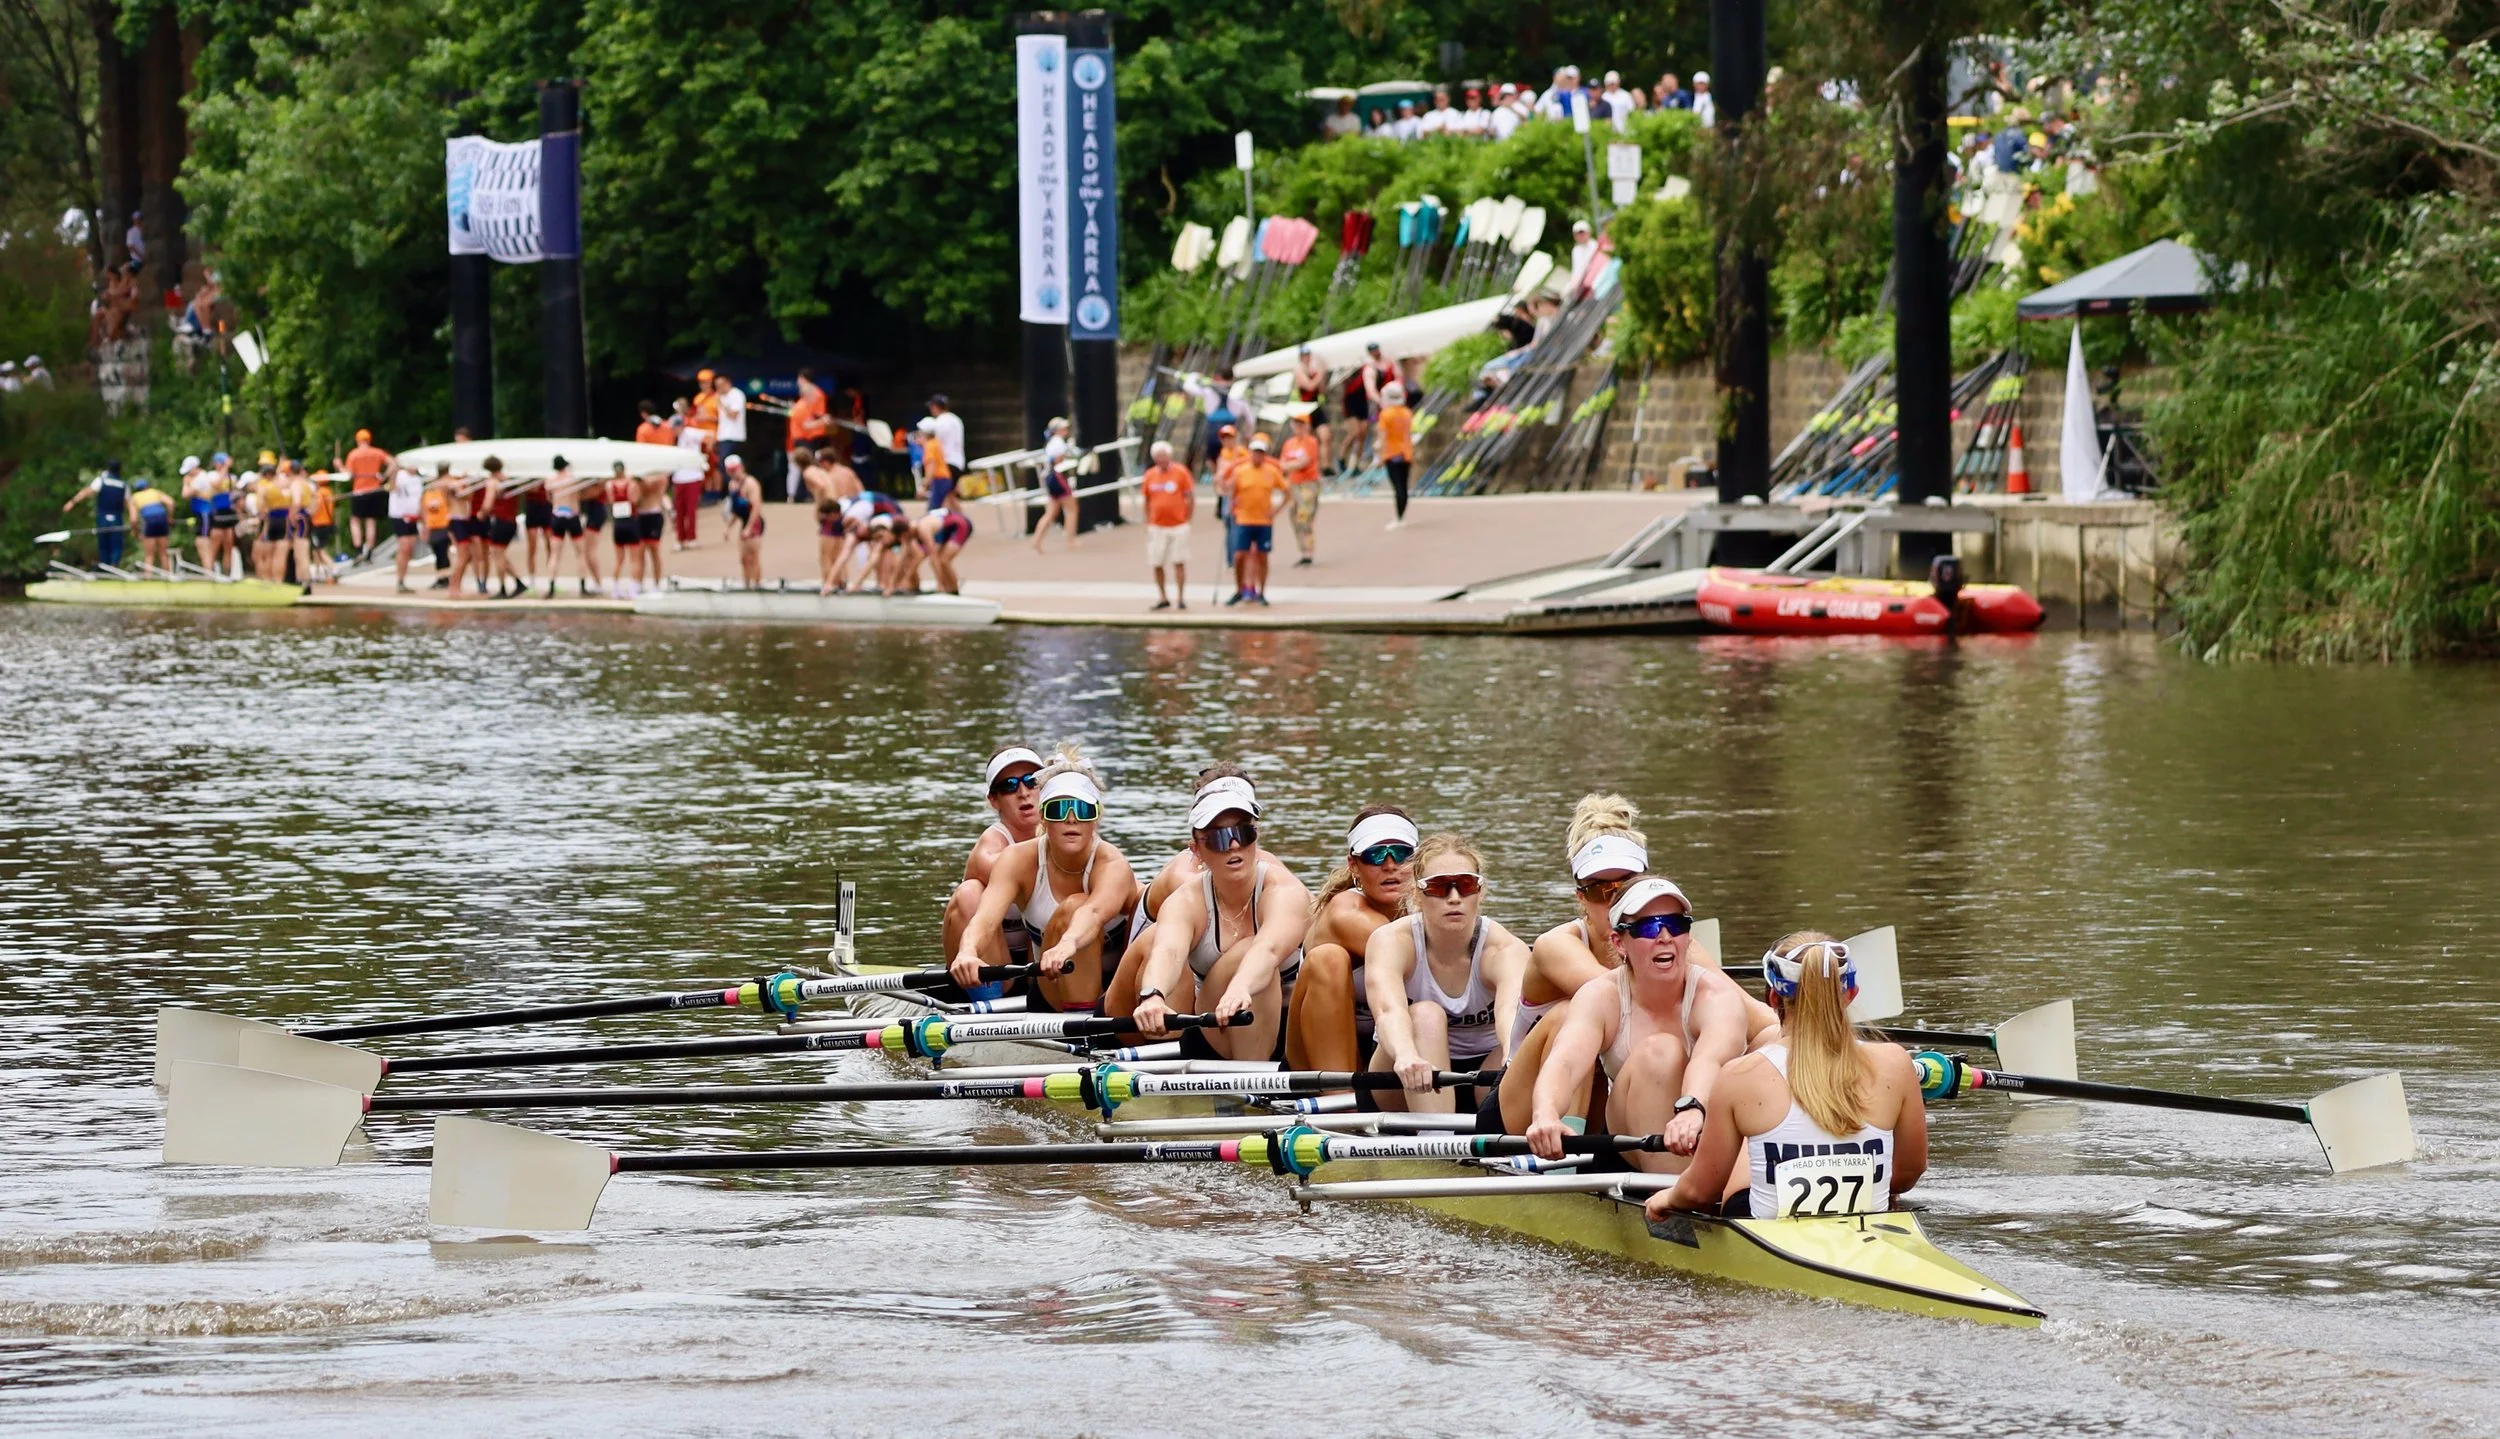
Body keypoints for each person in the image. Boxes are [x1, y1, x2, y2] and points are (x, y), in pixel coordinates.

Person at [1652, 932, 1927, 1221]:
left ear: (1773, 997)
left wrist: (1666, 1198)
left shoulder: (1740, 1076)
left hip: (1765, 1232)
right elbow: (1908, 1174)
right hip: (1867, 1224)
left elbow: (1699, 1193)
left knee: (1747, 1147)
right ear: (1851, 994)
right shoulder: (1897, 1063)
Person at [1525, 876, 1760, 1174]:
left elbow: (1710, 1061)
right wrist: (1545, 1113)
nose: (1664, 937)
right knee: (1660, 1051)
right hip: (1630, 1142)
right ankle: (1675, 1207)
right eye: (1648, 927)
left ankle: (1697, 1193)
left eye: (1676, 925)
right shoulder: (1600, 995)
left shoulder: (1716, 996)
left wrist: (1691, 1108)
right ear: (1618, 942)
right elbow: (1565, 1063)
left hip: (1706, 1124)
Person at [1111, 772, 1308, 1061]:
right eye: (1218, 838)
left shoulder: (1284, 889)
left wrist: (1241, 986)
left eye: (1243, 832)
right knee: (1237, 952)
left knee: (1253, 953)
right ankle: (1249, 1090)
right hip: (1216, 1031)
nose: (1233, 846)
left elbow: (1269, 949)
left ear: (1256, 836)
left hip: (1288, 1030)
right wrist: (1152, 996)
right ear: (1196, 850)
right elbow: (1168, 952)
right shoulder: (1185, 900)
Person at [949, 746, 1139, 1014]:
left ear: (1095, 819)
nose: (1071, 819)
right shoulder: (1016, 859)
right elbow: (985, 919)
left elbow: (1094, 912)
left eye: (1082, 810)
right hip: (1052, 991)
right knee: (1070, 907)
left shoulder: (1112, 864)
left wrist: (1068, 944)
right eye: (1059, 809)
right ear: (1042, 817)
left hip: (1115, 992)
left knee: (1077, 906)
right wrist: (967, 951)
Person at [1363, 833, 1531, 1114]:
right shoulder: (1391, 941)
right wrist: (1406, 1055)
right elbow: (1387, 1011)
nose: (1454, 898)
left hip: (1484, 1079)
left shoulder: (1506, 949)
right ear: (1417, 894)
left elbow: (1511, 1015)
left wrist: (1514, 1058)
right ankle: (1435, 1142)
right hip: (1406, 1077)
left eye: (1465, 885)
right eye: (1439, 887)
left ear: (1480, 892)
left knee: (1528, 1041)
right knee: (1426, 1014)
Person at [1283, 807, 1417, 1073]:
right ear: (1354, 865)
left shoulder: (1438, 903)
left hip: (1391, 1052)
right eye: (1375, 855)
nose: (1390, 865)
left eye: (1401, 853)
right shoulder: (1345, 911)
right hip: (1314, 1058)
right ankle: (1341, 1101)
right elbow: (1419, 954)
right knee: (1328, 958)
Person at [942, 745, 1048, 992]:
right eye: (1009, 786)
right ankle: (987, 1001)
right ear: (994, 800)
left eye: (1032, 782)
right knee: (969, 892)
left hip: (1042, 967)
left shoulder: (1068, 830)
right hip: (991, 969)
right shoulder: (990, 846)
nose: (1023, 792)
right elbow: (1024, 876)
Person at [1226, 434, 1285, 606]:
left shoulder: (1271, 472)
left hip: (1263, 521)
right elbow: (1232, 493)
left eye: (1261, 453)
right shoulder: (1240, 471)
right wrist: (1233, 508)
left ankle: (1261, 592)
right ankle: (1239, 589)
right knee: (1239, 556)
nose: (1257, 456)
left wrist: (1276, 510)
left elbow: (1286, 492)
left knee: (1262, 557)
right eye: (1255, 452)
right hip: (1244, 519)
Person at [1139, 440, 1194, 611]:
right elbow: (1146, 499)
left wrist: (1187, 517)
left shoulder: (1180, 472)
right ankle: (1163, 596)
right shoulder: (1149, 475)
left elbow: (1189, 496)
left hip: (1178, 524)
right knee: (1157, 561)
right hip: (1157, 525)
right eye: (1158, 457)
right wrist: (1148, 519)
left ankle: (1181, 597)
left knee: (1179, 560)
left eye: (1164, 456)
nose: (1161, 460)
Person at [912, 455, 973, 595]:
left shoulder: (923, 529)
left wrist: (940, 585)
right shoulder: (916, 532)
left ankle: (953, 591)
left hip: (959, 525)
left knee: (942, 560)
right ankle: (947, 587)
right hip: (945, 523)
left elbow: (933, 558)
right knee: (936, 559)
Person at [63, 461, 130, 569]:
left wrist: (72, 502)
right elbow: (128, 503)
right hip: (117, 517)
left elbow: (86, 492)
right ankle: (114, 565)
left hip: (103, 516)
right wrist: (133, 517)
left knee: (103, 542)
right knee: (116, 543)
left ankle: (104, 566)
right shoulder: (123, 484)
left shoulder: (101, 480)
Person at [1279, 410, 1324, 566]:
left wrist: (1291, 465)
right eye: (1296, 424)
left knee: (1304, 516)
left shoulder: (1311, 442)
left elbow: (1304, 461)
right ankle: (1303, 549)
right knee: (1294, 516)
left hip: (1308, 483)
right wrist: (1291, 466)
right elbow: (1282, 464)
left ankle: (1309, 551)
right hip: (1293, 483)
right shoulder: (1289, 444)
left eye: (1301, 424)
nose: (1298, 427)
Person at [1030, 416, 1078, 553]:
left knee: (1051, 512)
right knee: (1071, 509)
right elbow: (1058, 460)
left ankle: (1036, 540)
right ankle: (1070, 540)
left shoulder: (1051, 442)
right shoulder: (1058, 442)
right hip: (1057, 476)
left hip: (1050, 477)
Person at [343, 428, 392, 559]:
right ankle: (369, 549)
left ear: (357, 441)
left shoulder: (353, 455)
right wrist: (384, 477)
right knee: (371, 521)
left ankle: (358, 548)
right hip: (375, 490)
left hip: (359, 491)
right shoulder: (377, 452)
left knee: (355, 520)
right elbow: (392, 463)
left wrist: (339, 466)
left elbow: (347, 475)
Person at [786, 368, 831, 498]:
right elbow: (808, 422)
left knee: (808, 465)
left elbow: (817, 416)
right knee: (804, 465)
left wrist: (821, 420)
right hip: (802, 436)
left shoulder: (816, 396)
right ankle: (802, 494)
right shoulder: (801, 404)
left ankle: (806, 493)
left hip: (811, 436)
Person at [671, 399, 708, 549]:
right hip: (678, 478)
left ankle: (691, 538)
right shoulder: (672, 439)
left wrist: (702, 457)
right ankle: (680, 539)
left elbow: (709, 436)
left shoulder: (690, 433)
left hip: (692, 476)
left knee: (691, 510)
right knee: (679, 511)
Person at [723, 455, 765, 589]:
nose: (732, 473)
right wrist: (728, 526)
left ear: (741, 467)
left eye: (734, 469)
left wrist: (749, 527)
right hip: (743, 519)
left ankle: (757, 583)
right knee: (743, 558)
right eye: (730, 470)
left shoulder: (751, 484)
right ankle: (746, 584)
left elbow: (756, 507)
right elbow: (736, 510)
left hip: (754, 521)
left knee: (753, 556)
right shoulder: (732, 485)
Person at [1378, 382, 1415, 529]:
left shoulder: (1386, 414)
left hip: (1391, 453)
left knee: (1397, 486)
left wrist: (1380, 456)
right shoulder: (1407, 413)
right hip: (1405, 452)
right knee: (1404, 486)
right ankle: (1401, 514)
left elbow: (1382, 437)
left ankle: (1399, 517)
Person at [606, 463, 645, 596]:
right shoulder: (632, 483)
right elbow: (636, 500)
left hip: (618, 523)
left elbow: (611, 500)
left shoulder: (610, 485)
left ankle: (615, 588)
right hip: (630, 521)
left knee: (619, 559)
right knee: (634, 558)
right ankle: (633, 588)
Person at [388, 459, 426, 592]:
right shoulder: (400, 476)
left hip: (413, 517)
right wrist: (394, 470)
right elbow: (392, 487)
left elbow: (419, 500)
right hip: (400, 516)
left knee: (409, 549)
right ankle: (400, 580)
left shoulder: (417, 480)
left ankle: (403, 579)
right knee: (404, 547)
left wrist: (423, 522)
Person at [126, 475, 176, 575]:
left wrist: (135, 531)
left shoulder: (134, 498)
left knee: (149, 554)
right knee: (163, 552)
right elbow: (171, 502)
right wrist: (170, 518)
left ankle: (148, 577)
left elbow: (133, 519)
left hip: (148, 521)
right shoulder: (155, 492)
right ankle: (167, 577)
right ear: (147, 486)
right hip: (162, 518)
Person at [1291, 345, 1333, 460]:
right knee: (1307, 439)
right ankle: (1308, 465)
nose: (1307, 357)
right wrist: (1321, 373)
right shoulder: (1299, 370)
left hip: (1315, 405)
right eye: (1304, 355)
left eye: (1308, 355)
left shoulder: (1314, 371)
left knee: (1326, 436)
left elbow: (1322, 391)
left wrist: (1321, 376)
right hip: (1304, 407)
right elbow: (1309, 386)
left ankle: (1325, 467)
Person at [421, 464, 456, 587]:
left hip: (443, 525)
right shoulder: (426, 494)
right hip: (432, 526)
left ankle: (445, 577)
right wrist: (425, 528)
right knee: (436, 552)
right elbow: (424, 512)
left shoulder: (442, 491)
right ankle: (441, 577)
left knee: (443, 552)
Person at [712, 372, 747, 482]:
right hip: (722, 435)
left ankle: (739, 487)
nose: (719, 388)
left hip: (733, 435)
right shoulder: (720, 397)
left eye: (721, 385)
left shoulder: (736, 394)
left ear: (728, 383)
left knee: (728, 464)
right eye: (717, 386)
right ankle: (733, 488)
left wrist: (721, 403)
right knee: (722, 465)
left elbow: (733, 415)